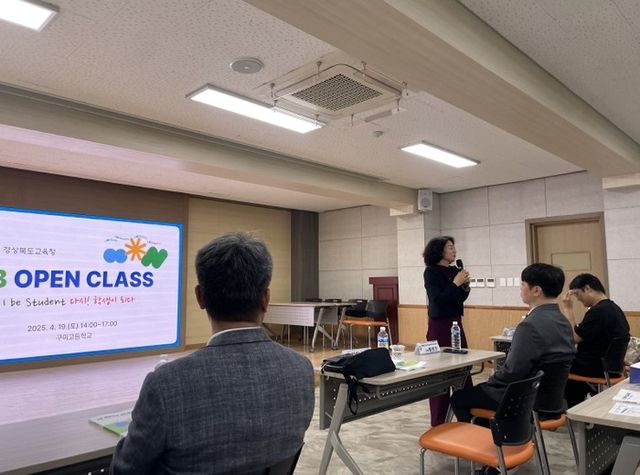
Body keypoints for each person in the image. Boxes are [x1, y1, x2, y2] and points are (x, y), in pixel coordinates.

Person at [111, 232, 315, 474]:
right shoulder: (301, 369)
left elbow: (124, 469)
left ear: (200, 297)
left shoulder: (165, 384)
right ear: (266, 299)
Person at [451, 263, 575, 424]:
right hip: (553, 402)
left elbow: (513, 372)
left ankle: (483, 438)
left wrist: (491, 381)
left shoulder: (530, 325)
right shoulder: (563, 321)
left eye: (522, 284)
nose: (520, 289)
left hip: (524, 402)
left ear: (536, 290)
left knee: (459, 397)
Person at [560, 273, 630, 407]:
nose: (578, 300)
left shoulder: (598, 311)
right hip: (612, 367)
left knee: (554, 364)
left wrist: (568, 308)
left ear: (587, 288)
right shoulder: (614, 309)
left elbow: (573, 338)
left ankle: (568, 410)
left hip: (596, 367)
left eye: (578, 294)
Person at [423, 236, 471, 426]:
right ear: (439, 251)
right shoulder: (431, 272)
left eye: (454, 247)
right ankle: (439, 422)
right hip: (440, 325)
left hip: (456, 321)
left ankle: (466, 416)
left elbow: (458, 299)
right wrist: (455, 284)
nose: (454, 251)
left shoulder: (454, 271)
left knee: (462, 368)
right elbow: (438, 300)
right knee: (440, 372)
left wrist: (465, 287)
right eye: (450, 247)